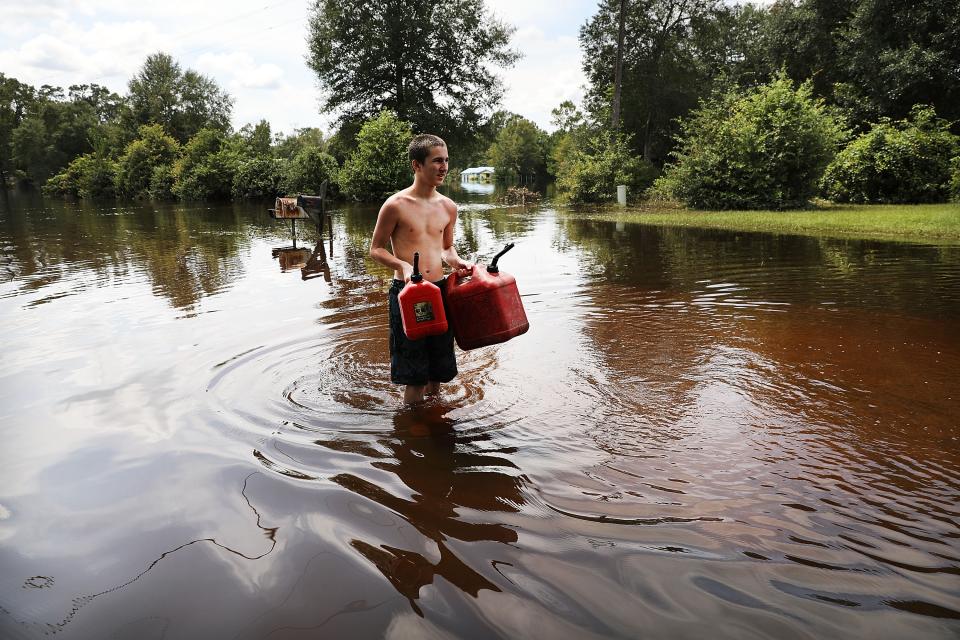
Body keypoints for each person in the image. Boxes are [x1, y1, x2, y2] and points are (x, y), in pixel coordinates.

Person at [369, 134, 473, 404]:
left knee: (437, 372)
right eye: (437, 161)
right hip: (408, 293)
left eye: (446, 160)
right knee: (413, 375)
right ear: (417, 165)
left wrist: (457, 261)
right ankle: (412, 431)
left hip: (439, 291)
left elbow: (447, 248)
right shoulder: (395, 205)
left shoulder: (449, 207)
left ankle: (435, 425)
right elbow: (376, 249)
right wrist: (402, 265)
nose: (444, 167)